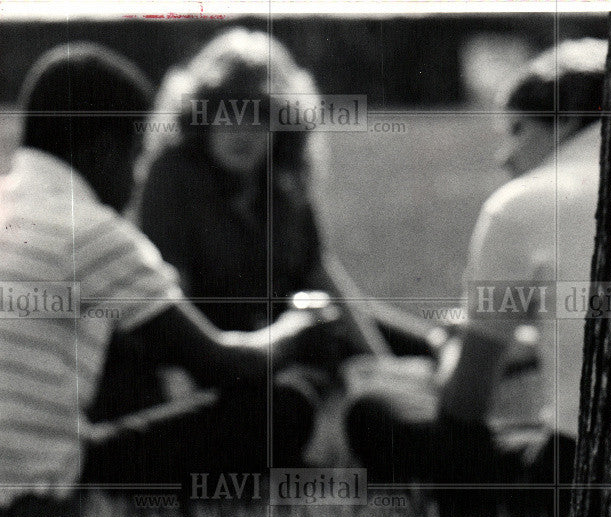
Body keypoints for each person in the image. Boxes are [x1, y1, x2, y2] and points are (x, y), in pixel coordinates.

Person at [0, 42, 347, 517]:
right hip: (33, 487)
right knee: (285, 406)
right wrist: (299, 329)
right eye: (134, 156)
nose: (137, 177)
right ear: (103, 149)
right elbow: (224, 362)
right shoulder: (93, 231)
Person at [345, 39, 608, 506]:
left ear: (565, 120)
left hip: (584, 476)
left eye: (518, 129)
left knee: (375, 411)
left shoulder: (525, 203)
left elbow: (463, 408)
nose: (504, 155)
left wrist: (453, 348)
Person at [136, 28, 439, 361]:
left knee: (426, 347)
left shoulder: (283, 178)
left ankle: (449, 344)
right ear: (200, 118)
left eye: (260, 117)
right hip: (225, 353)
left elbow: (320, 274)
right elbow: (172, 299)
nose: (244, 133)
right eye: (227, 115)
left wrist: (383, 363)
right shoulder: (173, 176)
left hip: (291, 328)